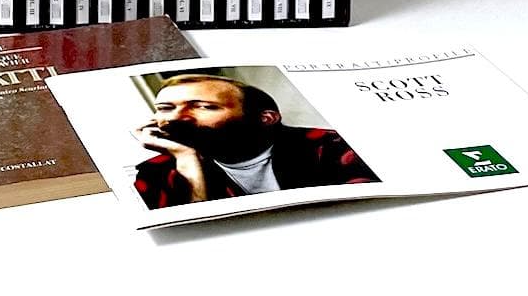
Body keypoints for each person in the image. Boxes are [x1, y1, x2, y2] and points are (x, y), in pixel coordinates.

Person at [133, 73, 378, 209]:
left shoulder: (332, 146)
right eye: (165, 108)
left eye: (204, 106)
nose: (176, 118)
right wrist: (188, 161)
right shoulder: (156, 173)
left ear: (266, 118)